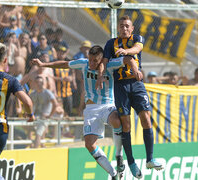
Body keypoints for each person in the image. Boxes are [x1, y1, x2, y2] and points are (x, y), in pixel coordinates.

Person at [31, 45, 140, 179]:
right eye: (90, 59)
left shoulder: (110, 65)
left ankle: (119, 156)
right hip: (90, 110)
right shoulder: (83, 64)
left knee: (117, 121)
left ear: (102, 60)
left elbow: (128, 58)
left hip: (107, 105)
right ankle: (113, 174)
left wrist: (135, 69)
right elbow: (65, 64)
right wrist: (43, 64)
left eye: (95, 61)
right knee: (89, 145)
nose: (92, 63)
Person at [96, 15, 163, 179]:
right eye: (121, 26)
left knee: (146, 118)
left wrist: (126, 51)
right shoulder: (111, 43)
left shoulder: (137, 39)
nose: (124, 29)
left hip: (137, 84)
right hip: (120, 86)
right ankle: (131, 162)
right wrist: (100, 74)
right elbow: (104, 61)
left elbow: (137, 49)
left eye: (127, 26)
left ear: (132, 28)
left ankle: (149, 159)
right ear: (118, 28)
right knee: (126, 125)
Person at [0, 42, 35, 180]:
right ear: (5, 60)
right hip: (1, 131)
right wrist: (30, 115)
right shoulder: (11, 80)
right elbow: (27, 102)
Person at [30, 76, 60, 148]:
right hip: (36, 116)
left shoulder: (47, 93)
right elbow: (29, 104)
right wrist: (30, 114)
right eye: (37, 82)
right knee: (29, 129)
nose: (39, 84)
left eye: (41, 82)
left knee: (38, 133)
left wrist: (50, 115)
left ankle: (35, 151)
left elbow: (55, 104)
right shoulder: (33, 93)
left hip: (44, 117)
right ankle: (39, 145)